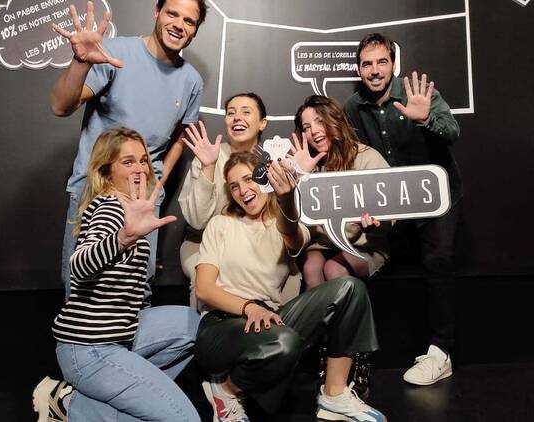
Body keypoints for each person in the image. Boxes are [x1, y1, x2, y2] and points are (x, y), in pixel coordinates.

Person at [193, 152, 386, 422]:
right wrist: (249, 308)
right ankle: (225, 390)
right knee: (284, 341)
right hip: (221, 326)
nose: (243, 190)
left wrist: (285, 199)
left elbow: (291, 234)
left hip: (268, 318)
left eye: (249, 179)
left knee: (350, 289)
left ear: (265, 179)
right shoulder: (221, 224)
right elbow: (204, 289)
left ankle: (334, 395)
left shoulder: (287, 223)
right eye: (234, 186)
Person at [32, 128, 200, 422]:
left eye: (143, 160)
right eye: (128, 162)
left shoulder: (132, 208)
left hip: (121, 333)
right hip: (90, 348)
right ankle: (74, 408)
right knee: (184, 418)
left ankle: (86, 399)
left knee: (194, 327)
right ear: (108, 171)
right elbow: (80, 264)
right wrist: (122, 238)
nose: (139, 169)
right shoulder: (111, 208)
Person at [51, 0, 207, 296]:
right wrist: (81, 62)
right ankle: (82, 344)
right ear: (157, 12)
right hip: (93, 189)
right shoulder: (116, 52)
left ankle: (131, 343)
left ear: (195, 30)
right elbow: (60, 106)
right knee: (80, 282)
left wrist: (159, 181)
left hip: (144, 195)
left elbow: (182, 135)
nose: (178, 24)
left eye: (189, 21)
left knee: (137, 286)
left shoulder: (192, 81)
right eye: (172, 13)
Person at [344, 32, 462, 386]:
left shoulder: (417, 93)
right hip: (391, 203)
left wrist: (425, 119)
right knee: (360, 256)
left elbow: (453, 132)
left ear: (393, 64)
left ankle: (441, 353)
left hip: (435, 196)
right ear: (359, 70)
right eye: (367, 64)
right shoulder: (353, 107)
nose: (375, 70)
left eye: (382, 62)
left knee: (438, 260)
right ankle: (350, 360)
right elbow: (356, 160)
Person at [177, 93, 276, 307]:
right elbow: (197, 221)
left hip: (256, 242)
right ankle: (210, 333)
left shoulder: (272, 161)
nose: (237, 117)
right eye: (231, 113)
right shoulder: (208, 156)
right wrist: (208, 168)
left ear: (262, 123)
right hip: (202, 243)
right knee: (212, 280)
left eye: (246, 112)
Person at [292, 95, 390, 290]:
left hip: (364, 243)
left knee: (334, 269)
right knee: (312, 268)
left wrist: (374, 223)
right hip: (324, 243)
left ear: (334, 119)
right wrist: (300, 176)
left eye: (320, 121)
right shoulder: (307, 165)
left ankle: (348, 319)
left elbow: (392, 209)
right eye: (306, 127)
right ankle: (322, 320)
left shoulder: (366, 157)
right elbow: (295, 220)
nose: (314, 131)